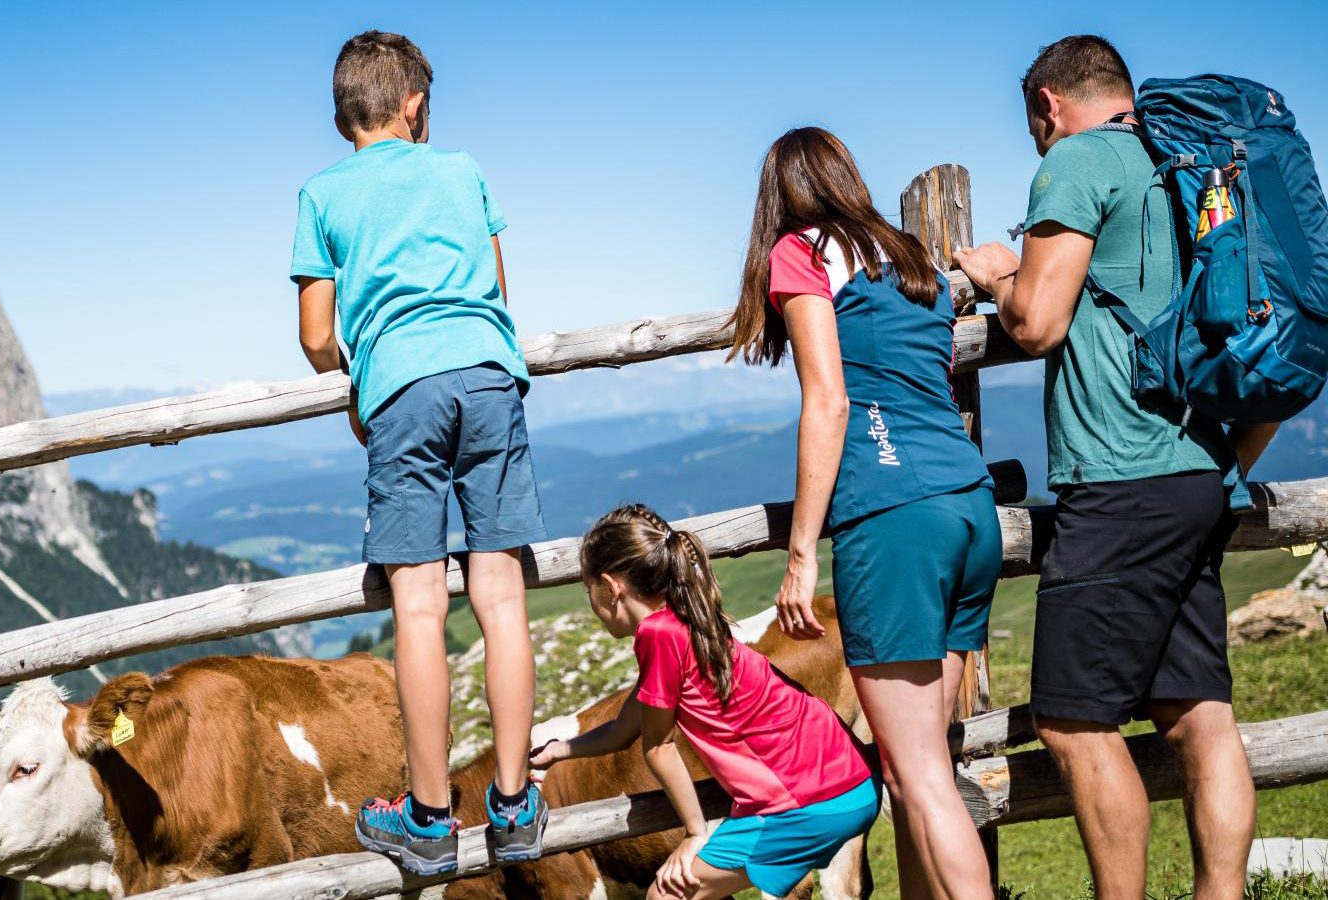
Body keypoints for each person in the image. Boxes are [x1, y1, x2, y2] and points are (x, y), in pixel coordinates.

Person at [954, 35, 1280, 900]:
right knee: (1200, 716)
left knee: (1071, 724)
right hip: (1201, 467)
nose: (1036, 144)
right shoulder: (1182, 162)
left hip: (1121, 477)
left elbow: (1039, 322)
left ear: (1049, 105)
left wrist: (997, 271)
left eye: (1035, 128)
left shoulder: (1078, 162)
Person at [290, 30, 548, 875]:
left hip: (402, 391)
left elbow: (318, 336)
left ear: (343, 117)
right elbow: (498, 291)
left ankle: (432, 820)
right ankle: (514, 808)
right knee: (501, 595)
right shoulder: (462, 170)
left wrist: (359, 378)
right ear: (415, 105)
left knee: (420, 609)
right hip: (488, 377)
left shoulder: (322, 195)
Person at [726, 127, 1001, 899]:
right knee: (926, 767)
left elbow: (830, 400)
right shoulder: (914, 260)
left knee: (919, 781)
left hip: (893, 518)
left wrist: (802, 552)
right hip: (967, 506)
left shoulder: (801, 253)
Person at [530, 505, 877, 900]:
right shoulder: (687, 621)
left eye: (586, 587)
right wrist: (558, 751)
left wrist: (695, 834)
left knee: (667, 894)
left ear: (611, 587)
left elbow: (657, 746)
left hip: (804, 803)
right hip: (849, 781)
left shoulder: (657, 637)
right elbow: (625, 729)